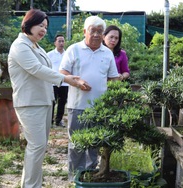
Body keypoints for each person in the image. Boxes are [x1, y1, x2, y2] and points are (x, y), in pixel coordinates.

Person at [7, 9, 88, 188]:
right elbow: (36, 69)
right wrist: (65, 79)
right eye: (40, 25)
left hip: (43, 101)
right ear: (28, 24)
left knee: (39, 147)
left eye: (45, 26)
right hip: (29, 103)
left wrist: (68, 78)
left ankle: (31, 184)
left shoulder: (36, 46)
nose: (43, 30)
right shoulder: (20, 45)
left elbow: (46, 71)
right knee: (36, 146)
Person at [59, 16, 119, 181]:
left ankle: (90, 175)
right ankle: (74, 177)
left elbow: (114, 78)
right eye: (93, 31)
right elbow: (62, 73)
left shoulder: (107, 53)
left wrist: (117, 98)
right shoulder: (73, 49)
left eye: (100, 32)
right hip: (77, 105)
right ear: (85, 31)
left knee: (95, 144)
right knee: (76, 143)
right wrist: (77, 81)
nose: (96, 35)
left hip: (100, 108)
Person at [47, 34, 68, 127]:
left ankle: (58, 120)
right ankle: (49, 120)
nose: (61, 43)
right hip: (53, 83)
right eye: (59, 41)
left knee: (62, 102)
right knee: (52, 101)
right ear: (55, 43)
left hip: (65, 83)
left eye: (63, 41)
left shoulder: (68, 54)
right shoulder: (49, 55)